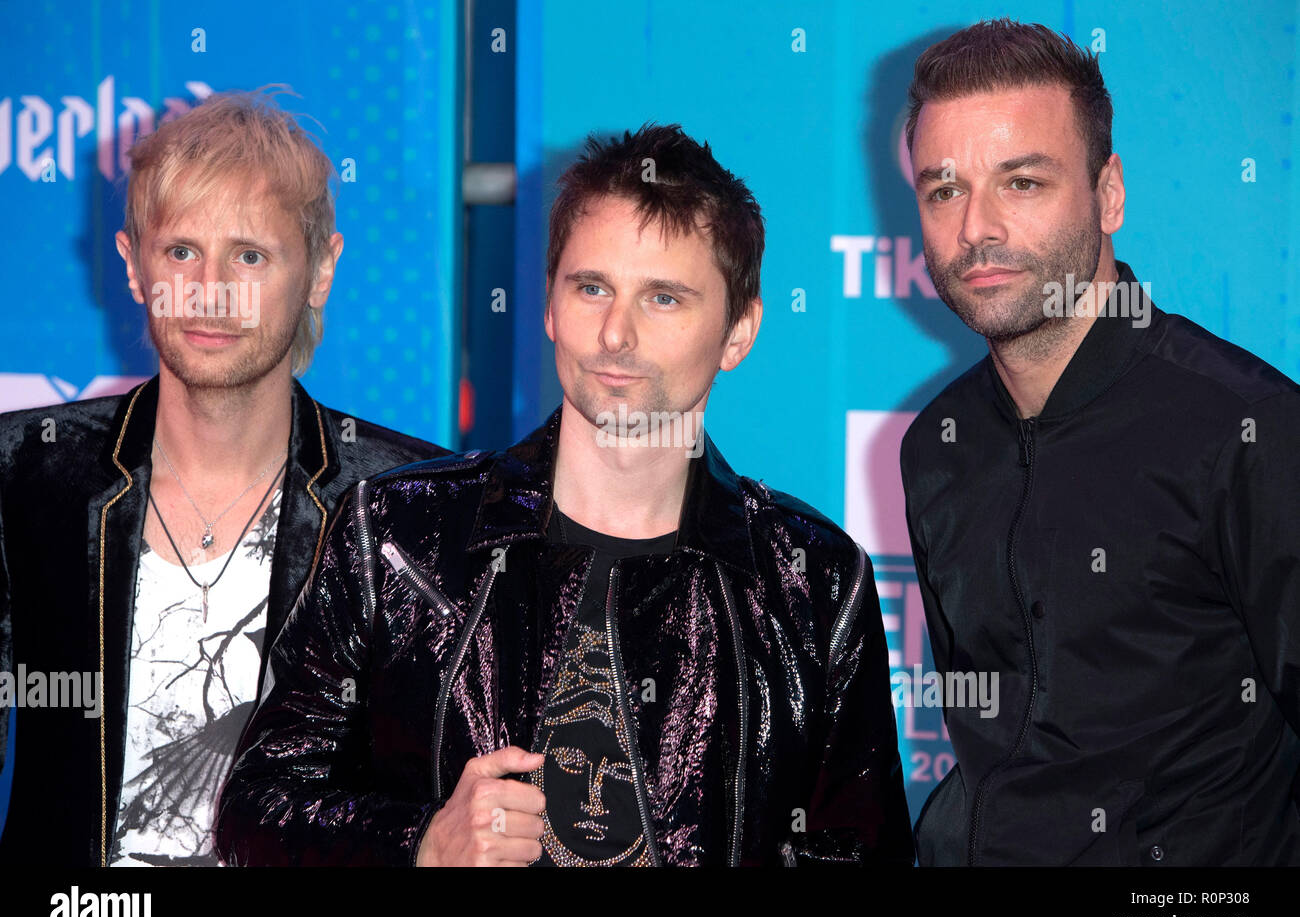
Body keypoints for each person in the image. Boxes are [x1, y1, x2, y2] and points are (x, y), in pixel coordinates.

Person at [216, 123, 914, 866]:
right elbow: (257, 810)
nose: (616, 333)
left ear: (738, 333)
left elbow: (860, 854)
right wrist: (422, 842)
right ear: (549, 305)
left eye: (664, 299)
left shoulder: (810, 577)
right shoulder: (399, 531)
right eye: (592, 287)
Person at [0, 89, 446, 866]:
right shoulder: (28, 474)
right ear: (133, 268)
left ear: (320, 270)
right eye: (180, 252)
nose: (211, 290)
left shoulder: (408, 500)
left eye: (249, 254)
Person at [900, 19, 1300, 864]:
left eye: (1023, 182)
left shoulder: (1246, 429)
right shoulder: (937, 445)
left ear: (1108, 192)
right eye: (944, 190)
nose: (977, 228)